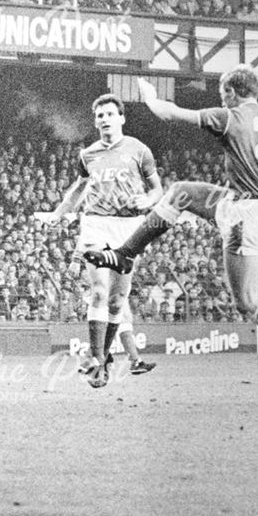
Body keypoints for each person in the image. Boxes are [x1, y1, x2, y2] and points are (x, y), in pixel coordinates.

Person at [84, 66, 258, 400]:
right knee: (180, 192)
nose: (222, 98)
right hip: (243, 203)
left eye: (222, 93)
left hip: (247, 215)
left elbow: (169, 113)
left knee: (247, 301)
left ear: (230, 91)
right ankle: (124, 252)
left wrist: (149, 96)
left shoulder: (230, 116)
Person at [49, 93, 162, 388]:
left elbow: (157, 191)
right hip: (97, 225)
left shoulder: (139, 150)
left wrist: (147, 200)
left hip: (128, 228)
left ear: (121, 118)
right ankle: (97, 358)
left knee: (117, 301)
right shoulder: (88, 155)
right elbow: (79, 188)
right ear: (96, 121)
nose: (104, 119)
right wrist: (59, 212)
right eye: (100, 115)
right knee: (99, 291)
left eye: (110, 114)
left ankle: (101, 355)